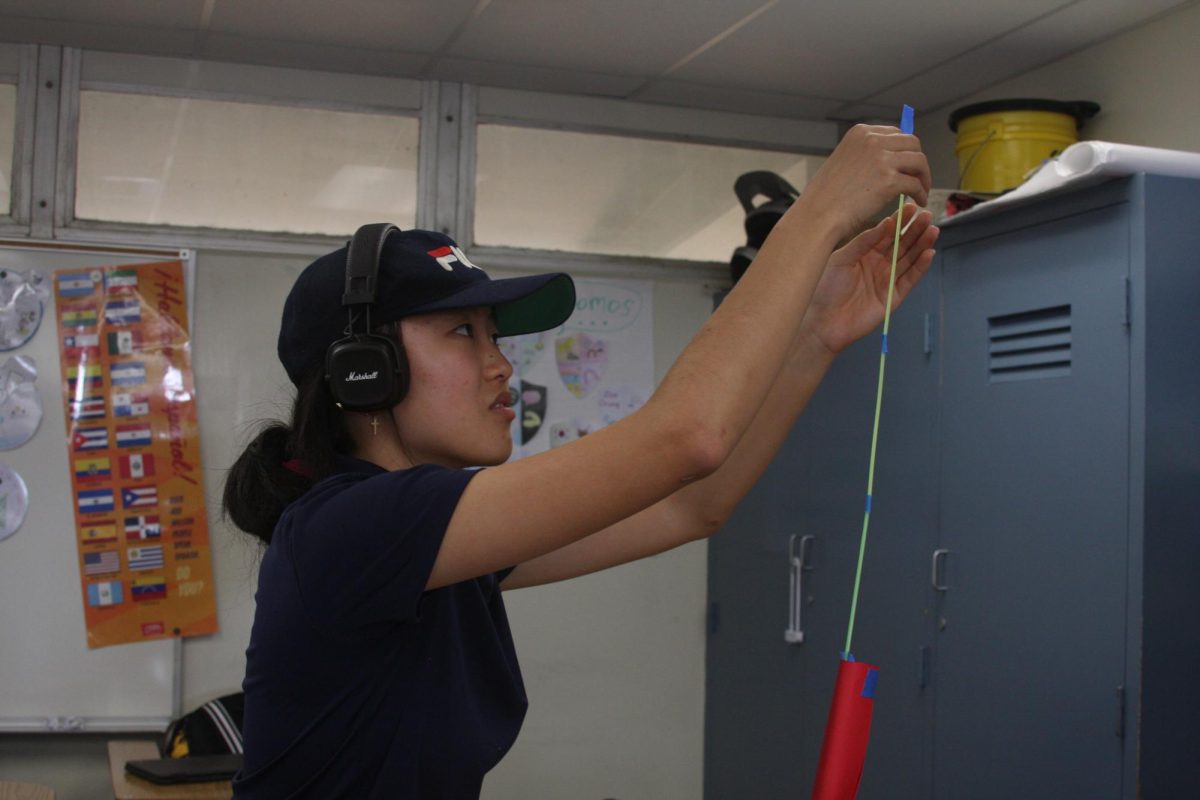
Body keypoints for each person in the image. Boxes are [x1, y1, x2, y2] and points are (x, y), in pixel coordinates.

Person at [222, 123, 938, 798]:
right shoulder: (353, 529)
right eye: (462, 333)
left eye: (493, 336)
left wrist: (814, 333)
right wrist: (815, 216)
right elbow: (687, 438)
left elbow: (691, 504)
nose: (499, 364)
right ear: (362, 372)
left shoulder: (433, 544)